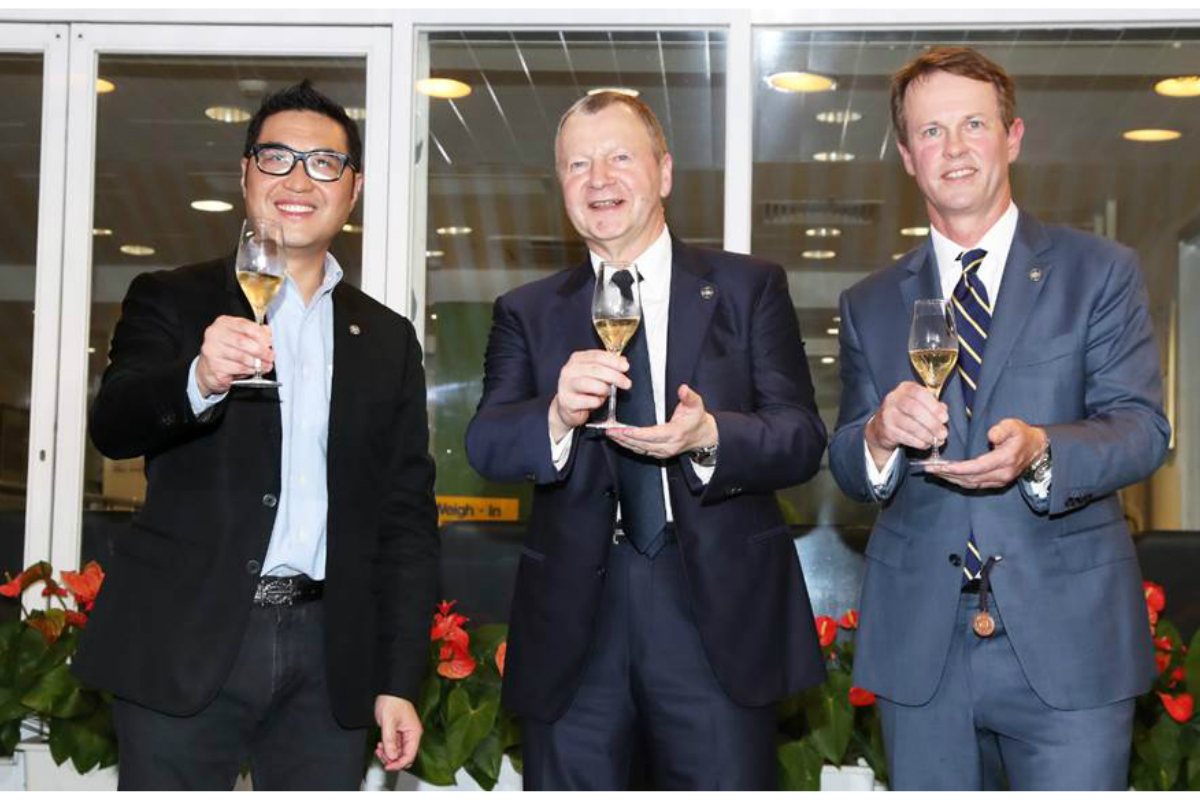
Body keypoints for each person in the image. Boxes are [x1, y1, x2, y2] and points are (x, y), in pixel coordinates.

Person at [74, 80, 439, 790]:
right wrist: (199, 378)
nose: (299, 179)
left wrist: (398, 680)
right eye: (277, 158)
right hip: (185, 639)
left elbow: (406, 519)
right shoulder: (172, 296)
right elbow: (113, 424)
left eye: (324, 163)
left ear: (353, 188)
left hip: (329, 654)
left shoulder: (386, 338)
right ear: (245, 173)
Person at [829, 46, 1170, 790]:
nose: (952, 149)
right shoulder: (867, 303)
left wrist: (1044, 449)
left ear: (1012, 137)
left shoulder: (1099, 272)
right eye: (930, 132)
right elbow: (849, 463)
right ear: (906, 157)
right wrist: (880, 434)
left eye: (973, 125)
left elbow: (1144, 429)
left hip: (1071, 639)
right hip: (922, 650)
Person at [465, 91, 827, 790]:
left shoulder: (748, 288)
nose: (598, 179)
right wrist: (556, 418)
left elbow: (801, 436)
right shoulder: (528, 311)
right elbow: (486, 442)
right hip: (576, 623)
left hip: (714, 614)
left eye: (619, 158)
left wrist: (711, 435)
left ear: (663, 173)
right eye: (578, 164)